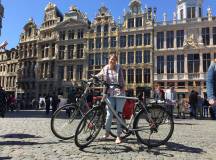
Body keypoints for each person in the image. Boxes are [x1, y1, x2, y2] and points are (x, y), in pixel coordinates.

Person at [96, 53, 125, 144]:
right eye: (110, 59)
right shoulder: (105, 68)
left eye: (114, 59)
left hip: (119, 93)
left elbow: (122, 80)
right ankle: (107, 133)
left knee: (118, 115)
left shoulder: (119, 67)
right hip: (109, 93)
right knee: (109, 115)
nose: (112, 61)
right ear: (108, 60)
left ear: (116, 61)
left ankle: (118, 136)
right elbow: (99, 75)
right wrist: (92, 78)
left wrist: (121, 88)